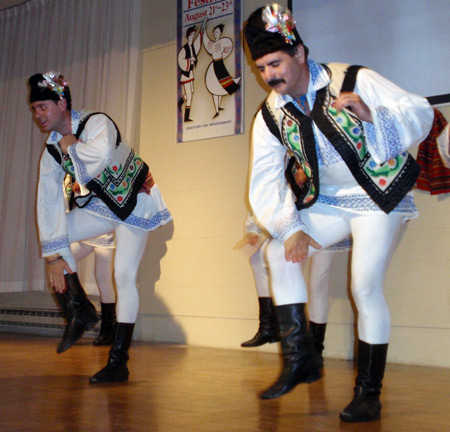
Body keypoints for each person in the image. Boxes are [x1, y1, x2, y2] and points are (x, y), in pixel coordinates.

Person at [244, 3, 434, 423]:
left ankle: (369, 393)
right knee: (278, 252)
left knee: (364, 286)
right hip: (328, 201)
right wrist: (289, 227)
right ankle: (301, 360)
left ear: (300, 54)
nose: (270, 76)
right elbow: (265, 180)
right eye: (261, 68)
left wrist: (373, 117)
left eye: (275, 63)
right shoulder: (270, 115)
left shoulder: (355, 78)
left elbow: (420, 111)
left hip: (378, 193)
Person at [29, 71, 172, 384]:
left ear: (62, 102)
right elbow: (48, 202)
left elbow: (101, 154)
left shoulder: (96, 122)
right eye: (35, 109)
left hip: (136, 198)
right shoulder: (52, 150)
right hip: (106, 205)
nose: (38, 114)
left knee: (123, 275)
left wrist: (70, 147)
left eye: (43, 107)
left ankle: (118, 361)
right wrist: (54, 257)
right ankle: (80, 310)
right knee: (57, 235)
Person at [64, 176, 117, 346]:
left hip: (102, 229)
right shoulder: (67, 176)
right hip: (84, 232)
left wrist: (85, 185)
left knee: (103, 279)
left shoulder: (91, 167)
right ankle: (83, 308)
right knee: (64, 259)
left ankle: (108, 330)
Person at [235, 212, 278, 348]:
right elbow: (255, 209)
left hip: (293, 229)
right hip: (273, 232)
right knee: (257, 259)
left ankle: (276, 328)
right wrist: (252, 231)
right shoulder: (260, 193)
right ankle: (268, 328)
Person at [203, 22, 241, 118]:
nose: (216, 34)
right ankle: (216, 109)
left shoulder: (222, 42)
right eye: (215, 32)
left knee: (223, 84)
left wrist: (223, 54)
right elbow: (206, 40)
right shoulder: (212, 44)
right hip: (215, 65)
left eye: (217, 32)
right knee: (214, 87)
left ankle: (218, 107)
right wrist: (204, 26)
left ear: (220, 33)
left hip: (219, 64)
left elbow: (228, 47)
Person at [178, 24, 204, 122]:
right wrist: (190, 59)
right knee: (189, 95)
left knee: (191, 92)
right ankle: (186, 117)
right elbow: (181, 61)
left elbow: (198, 42)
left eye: (194, 35)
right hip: (186, 74)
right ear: (188, 36)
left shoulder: (192, 47)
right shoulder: (184, 49)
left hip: (191, 72)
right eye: (191, 35)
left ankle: (181, 101)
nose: (193, 37)